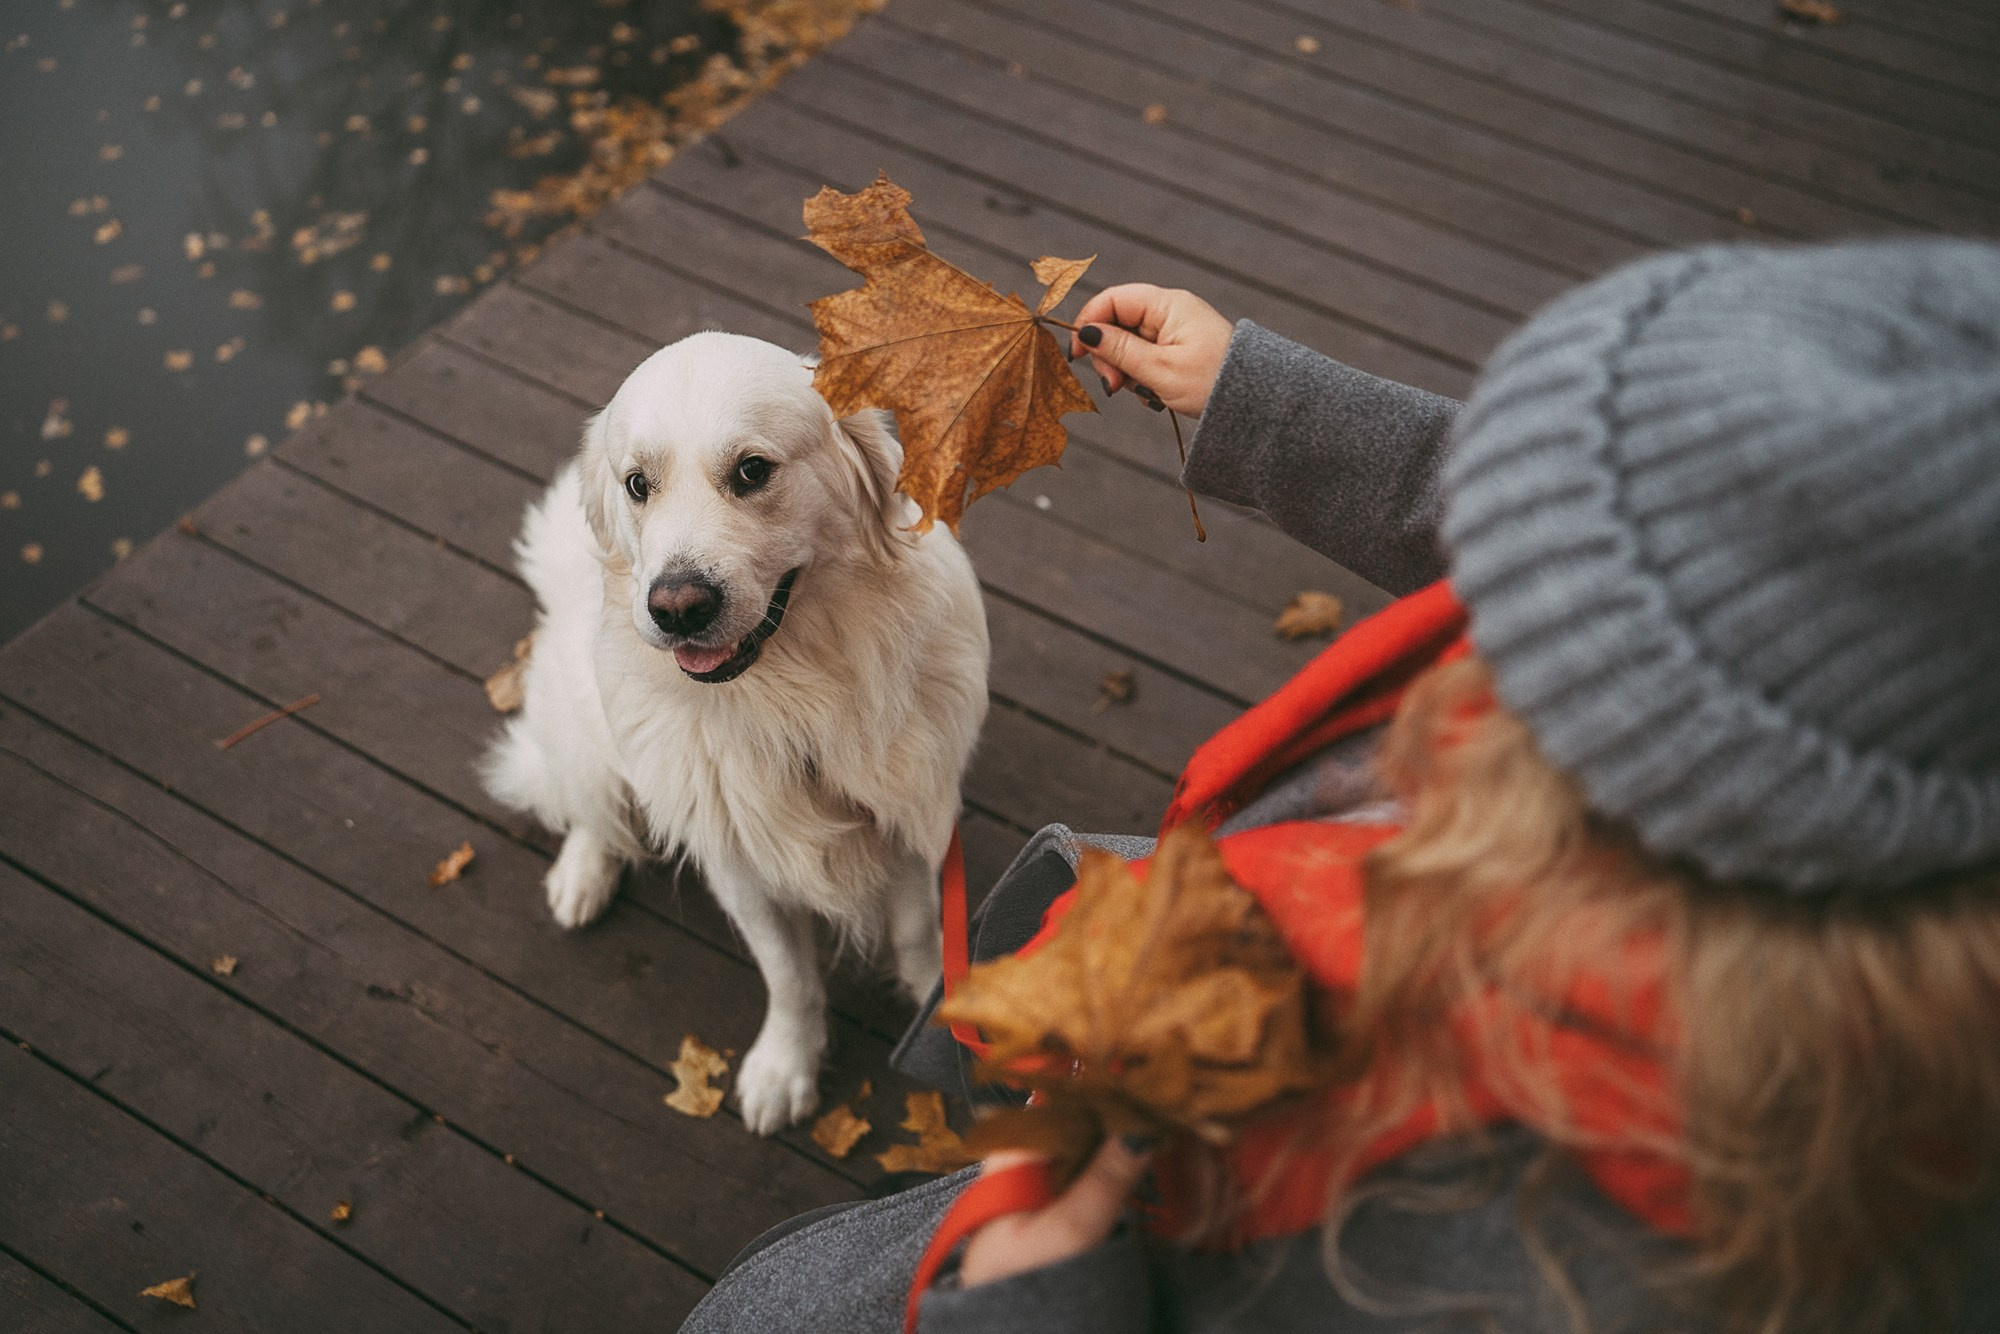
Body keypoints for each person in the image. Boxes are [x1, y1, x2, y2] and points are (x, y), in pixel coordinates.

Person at [681, 238, 2000, 1334]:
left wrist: (1049, 1306)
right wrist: (1258, 401)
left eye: (1527, 603)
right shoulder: (1846, 713)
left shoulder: (1569, 1251)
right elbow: (1545, 515)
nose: (1491, 583)